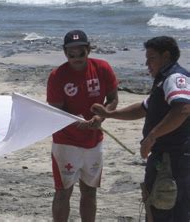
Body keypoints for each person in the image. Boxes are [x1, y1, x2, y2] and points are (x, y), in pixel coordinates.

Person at [91, 36, 190, 221]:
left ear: (166, 56)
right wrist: (110, 113)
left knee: (170, 209)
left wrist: (152, 136)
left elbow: (183, 109)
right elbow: (143, 108)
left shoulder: (175, 77)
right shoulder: (163, 80)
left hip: (174, 158)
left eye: (151, 58)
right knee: (157, 207)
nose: (146, 64)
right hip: (164, 157)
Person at [46, 30, 119, 221]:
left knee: (90, 192)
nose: (76, 58)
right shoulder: (57, 76)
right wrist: (75, 120)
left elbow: (112, 99)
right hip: (66, 143)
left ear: (88, 49)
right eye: (71, 54)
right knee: (63, 192)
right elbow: (54, 112)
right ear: (65, 53)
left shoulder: (102, 68)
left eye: (81, 53)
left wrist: (101, 117)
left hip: (94, 142)